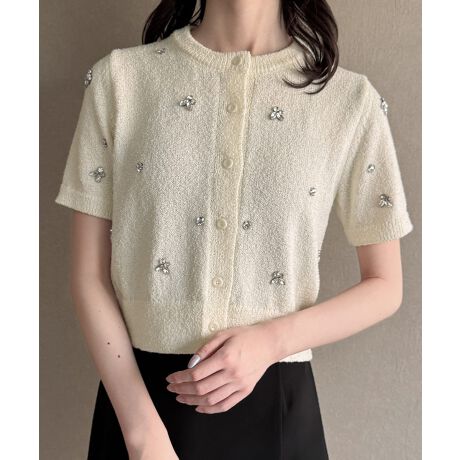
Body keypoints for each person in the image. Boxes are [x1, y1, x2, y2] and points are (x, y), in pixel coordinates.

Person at [54, 1, 414, 459]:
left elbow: (385, 286)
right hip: (138, 410)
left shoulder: (349, 101)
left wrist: (271, 341)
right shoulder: (121, 80)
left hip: (277, 407)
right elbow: (89, 276)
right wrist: (142, 434)